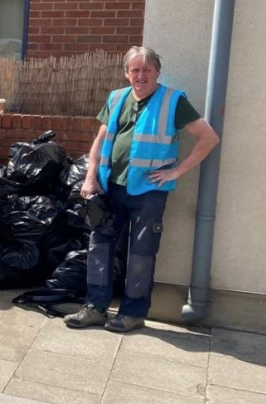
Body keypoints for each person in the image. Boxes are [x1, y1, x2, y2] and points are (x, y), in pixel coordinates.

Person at [65, 46, 219, 333]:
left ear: (157, 72)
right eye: (135, 70)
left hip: (148, 191)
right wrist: (90, 177)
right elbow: (99, 141)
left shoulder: (173, 100)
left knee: (141, 253)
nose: (140, 75)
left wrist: (177, 171)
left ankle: (133, 313)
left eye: (147, 69)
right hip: (109, 186)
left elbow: (208, 138)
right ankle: (95, 308)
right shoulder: (116, 97)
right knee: (99, 247)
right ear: (126, 73)